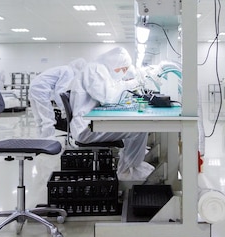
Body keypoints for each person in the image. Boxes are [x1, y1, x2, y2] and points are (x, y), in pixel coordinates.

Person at [69, 47, 152, 181]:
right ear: (116, 63)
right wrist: (132, 83)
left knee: (136, 127)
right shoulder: (95, 70)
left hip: (90, 123)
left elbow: (110, 92)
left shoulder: (100, 70)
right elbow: (108, 97)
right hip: (86, 128)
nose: (123, 73)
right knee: (139, 128)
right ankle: (128, 172)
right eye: (123, 69)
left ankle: (129, 166)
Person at [28, 58, 86, 139]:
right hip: (41, 89)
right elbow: (60, 92)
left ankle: (40, 139)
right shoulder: (68, 72)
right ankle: (48, 141)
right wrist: (63, 109)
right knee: (48, 118)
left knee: (39, 118)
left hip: (34, 86)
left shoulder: (64, 68)